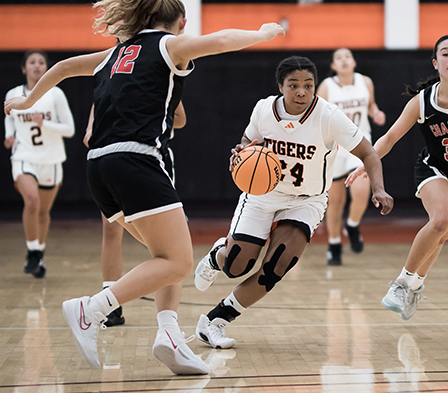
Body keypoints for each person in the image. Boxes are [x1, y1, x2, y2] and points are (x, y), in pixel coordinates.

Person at [5, 0, 285, 374]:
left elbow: (61, 67)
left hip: (98, 166)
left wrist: (26, 100)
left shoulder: (115, 52)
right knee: (178, 260)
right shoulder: (168, 45)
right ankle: (92, 309)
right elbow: (221, 40)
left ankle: (169, 337)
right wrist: (265, 33)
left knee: (167, 254)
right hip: (135, 160)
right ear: (180, 22)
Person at [193, 56, 393, 349]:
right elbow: (247, 142)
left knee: (276, 266)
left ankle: (215, 322)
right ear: (281, 86)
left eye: (309, 85)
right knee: (236, 266)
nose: (302, 91)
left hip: (306, 200)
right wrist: (241, 153)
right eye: (294, 85)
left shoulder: (329, 116)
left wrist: (379, 188)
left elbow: (369, 153)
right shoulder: (264, 109)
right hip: (264, 195)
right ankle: (217, 256)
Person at [346, 34, 448, 320]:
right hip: (434, 169)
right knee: (441, 220)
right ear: (436, 63)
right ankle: (401, 283)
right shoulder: (422, 102)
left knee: (441, 238)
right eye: (446, 54)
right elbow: (391, 137)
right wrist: (365, 164)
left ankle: (415, 286)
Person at [83, 102, 186, 327]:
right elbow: (98, 98)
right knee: (111, 230)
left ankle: (168, 326)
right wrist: (92, 126)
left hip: (148, 157)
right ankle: (110, 303)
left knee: (168, 252)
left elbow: (180, 119)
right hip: (113, 155)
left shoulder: (158, 74)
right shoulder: (112, 72)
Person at [3, 50, 75, 279]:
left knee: (43, 212)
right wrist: (10, 135)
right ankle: (33, 250)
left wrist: (46, 123)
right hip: (24, 156)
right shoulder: (14, 94)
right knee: (32, 201)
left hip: (51, 159)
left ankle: (39, 254)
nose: (37, 66)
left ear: (47, 68)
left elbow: (70, 129)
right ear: (24, 68)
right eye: (32, 62)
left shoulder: (56, 95)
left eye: (41, 62)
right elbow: (9, 117)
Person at [317, 48, 386, 265]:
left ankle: (353, 225)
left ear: (354, 62)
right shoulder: (326, 87)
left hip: (359, 143)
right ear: (333, 66)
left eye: (347, 57)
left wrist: (376, 112)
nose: (344, 60)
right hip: (334, 147)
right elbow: (317, 116)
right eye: (339, 58)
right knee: (335, 201)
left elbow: (371, 104)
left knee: (362, 190)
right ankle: (334, 244)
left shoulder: (365, 82)